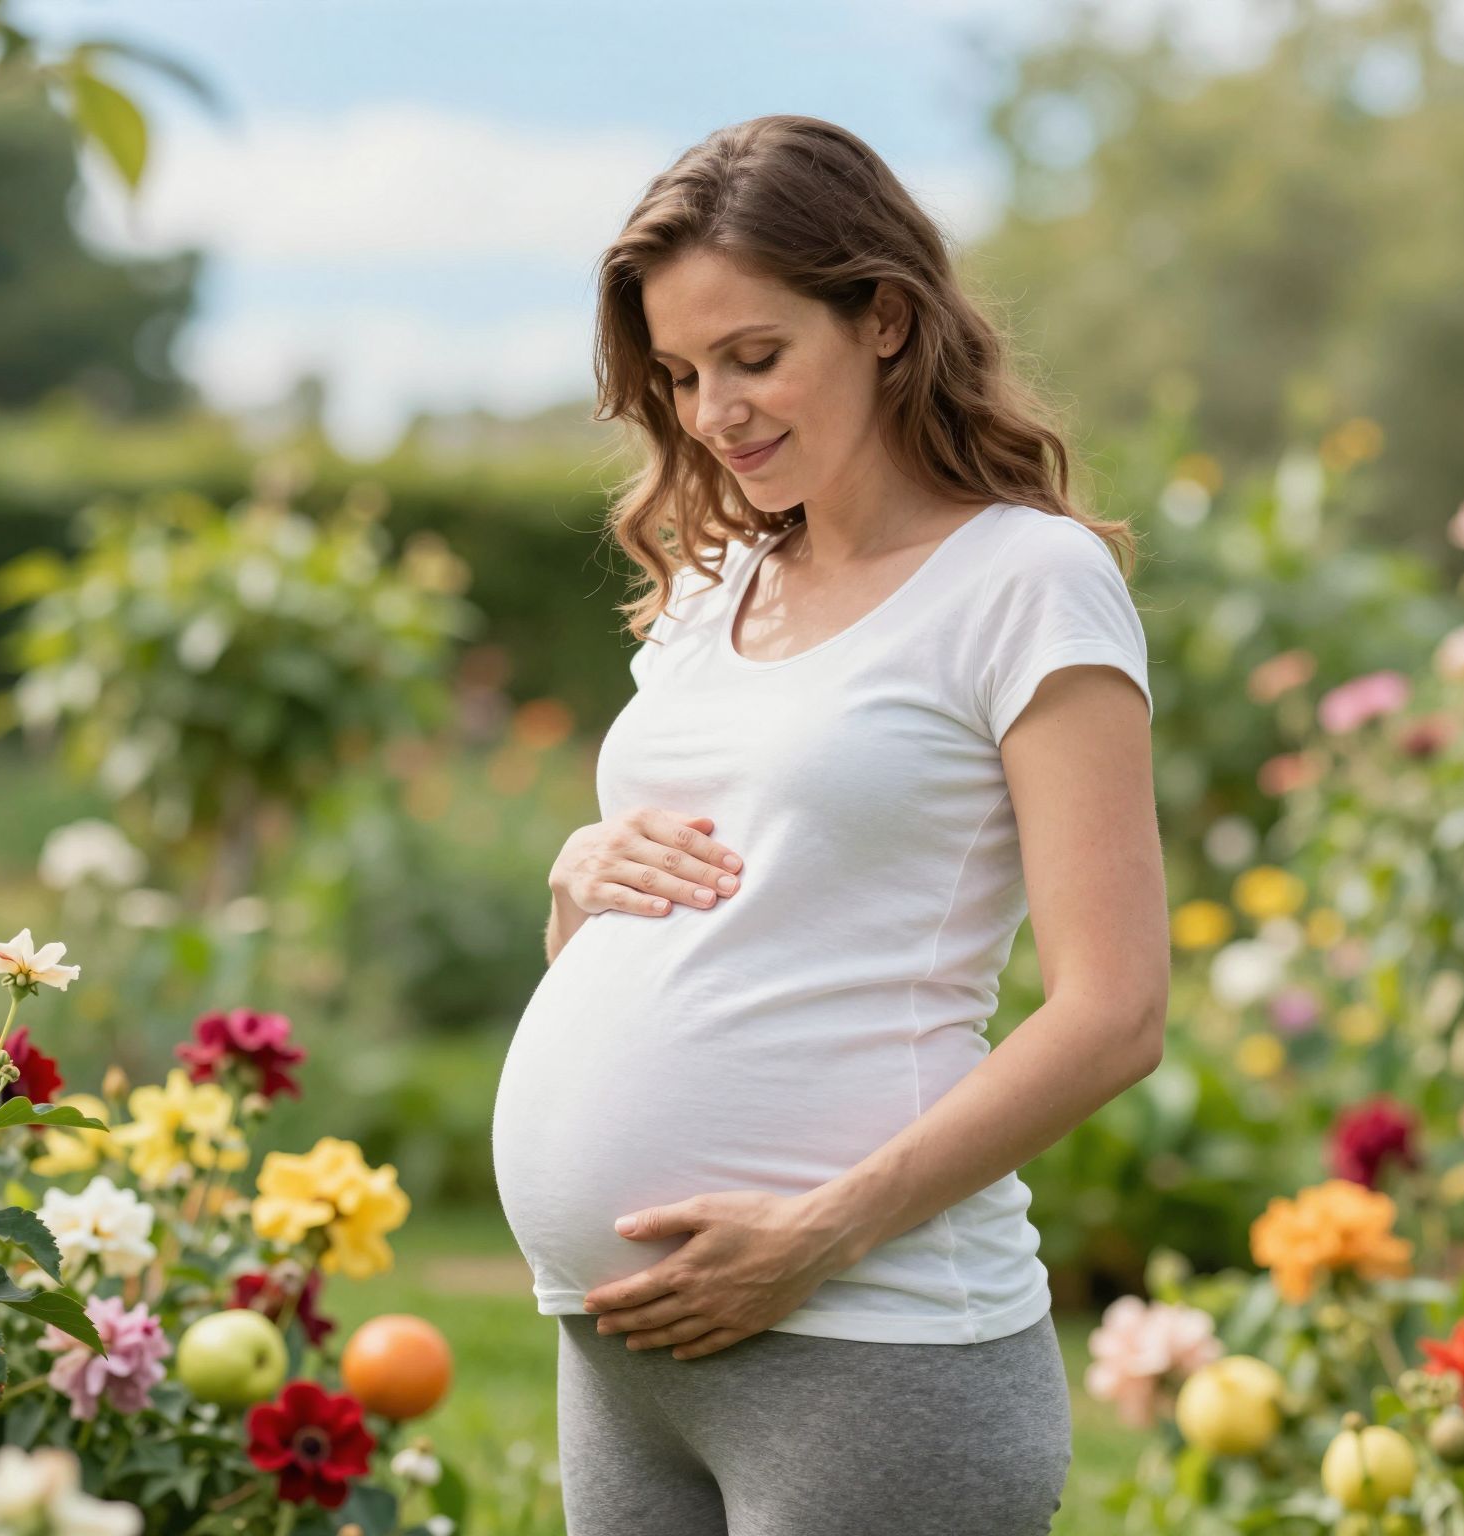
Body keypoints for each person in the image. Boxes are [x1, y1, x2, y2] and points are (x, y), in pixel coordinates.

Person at [489, 114, 1169, 1536]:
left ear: (884, 321)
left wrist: (818, 1233)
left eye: (752, 357)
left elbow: (1115, 1014)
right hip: (622, 1358)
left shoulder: (1022, 582)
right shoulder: (708, 587)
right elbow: (706, 915)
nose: (711, 411)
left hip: (871, 1340)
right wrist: (575, 879)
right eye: (679, 374)